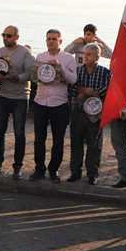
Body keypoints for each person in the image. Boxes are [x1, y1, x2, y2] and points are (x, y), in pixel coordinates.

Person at [0, 26, 35, 178]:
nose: (5, 38)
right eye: (4, 35)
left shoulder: (25, 53)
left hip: (20, 98)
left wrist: (18, 78)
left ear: (16, 37)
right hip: (4, 96)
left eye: (9, 36)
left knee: (19, 133)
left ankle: (17, 167)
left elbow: (31, 72)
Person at [30, 29, 78, 182]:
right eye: (48, 39)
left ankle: (53, 170)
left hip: (59, 104)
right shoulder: (40, 56)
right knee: (39, 138)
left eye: (54, 39)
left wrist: (60, 67)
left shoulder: (68, 58)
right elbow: (35, 77)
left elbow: (73, 80)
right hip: (40, 102)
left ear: (60, 41)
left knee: (58, 140)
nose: (51, 41)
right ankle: (39, 169)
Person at [67, 43, 111, 184]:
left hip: (96, 114)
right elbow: (72, 89)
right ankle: (75, 172)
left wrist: (94, 93)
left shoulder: (105, 72)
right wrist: (86, 91)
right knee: (76, 143)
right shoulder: (78, 71)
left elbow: (107, 90)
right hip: (78, 112)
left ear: (97, 56)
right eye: (84, 54)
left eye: (89, 54)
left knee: (94, 146)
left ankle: (92, 174)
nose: (85, 57)